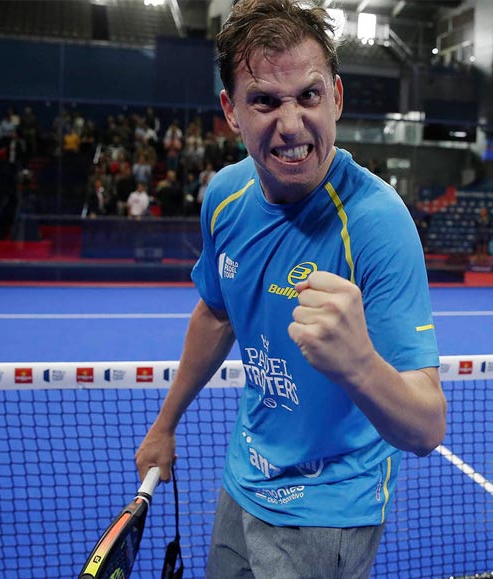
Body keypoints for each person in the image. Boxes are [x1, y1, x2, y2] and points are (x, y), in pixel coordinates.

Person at [133, 2, 446, 577]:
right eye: (265, 101)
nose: (293, 123)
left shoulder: (377, 223)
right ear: (231, 110)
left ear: (337, 99)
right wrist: (164, 425)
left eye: (309, 95)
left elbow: (426, 429)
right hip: (243, 479)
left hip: (331, 507)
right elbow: (215, 314)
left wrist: (358, 364)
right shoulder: (225, 197)